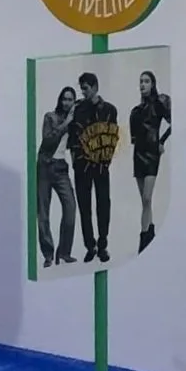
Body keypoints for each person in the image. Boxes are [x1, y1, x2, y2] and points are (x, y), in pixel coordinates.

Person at [68, 69, 120, 264]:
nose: (84, 93)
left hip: (101, 164)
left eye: (87, 89)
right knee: (84, 206)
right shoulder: (78, 108)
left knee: (103, 204)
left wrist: (107, 159)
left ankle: (103, 244)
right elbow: (73, 135)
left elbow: (113, 135)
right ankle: (90, 246)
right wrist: (74, 158)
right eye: (82, 89)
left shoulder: (109, 109)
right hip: (81, 165)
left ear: (95, 87)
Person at [35, 85, 78, 267]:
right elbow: (48, 140)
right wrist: (66, 123)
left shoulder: (74, 122)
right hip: (45, 166)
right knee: (43, 211)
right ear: (60, 100)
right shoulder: (50, 117)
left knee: (70, 208)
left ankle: (64, 252)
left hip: (61, 168)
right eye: (65, 99)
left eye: (71, 100)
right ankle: (48, 254)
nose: (67, 103)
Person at [130, 69, 172, 253]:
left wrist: (162, 141)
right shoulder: (136, 111)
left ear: (153, 83)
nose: (142, 84)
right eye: (140, 81)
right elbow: (133, 137)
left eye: (146, 81)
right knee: (144, 201)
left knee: (147, 197)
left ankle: (145, 235)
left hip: (152, 154)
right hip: (138, 153)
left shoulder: (161, 101)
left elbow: (174, 121)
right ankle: (148, 233)